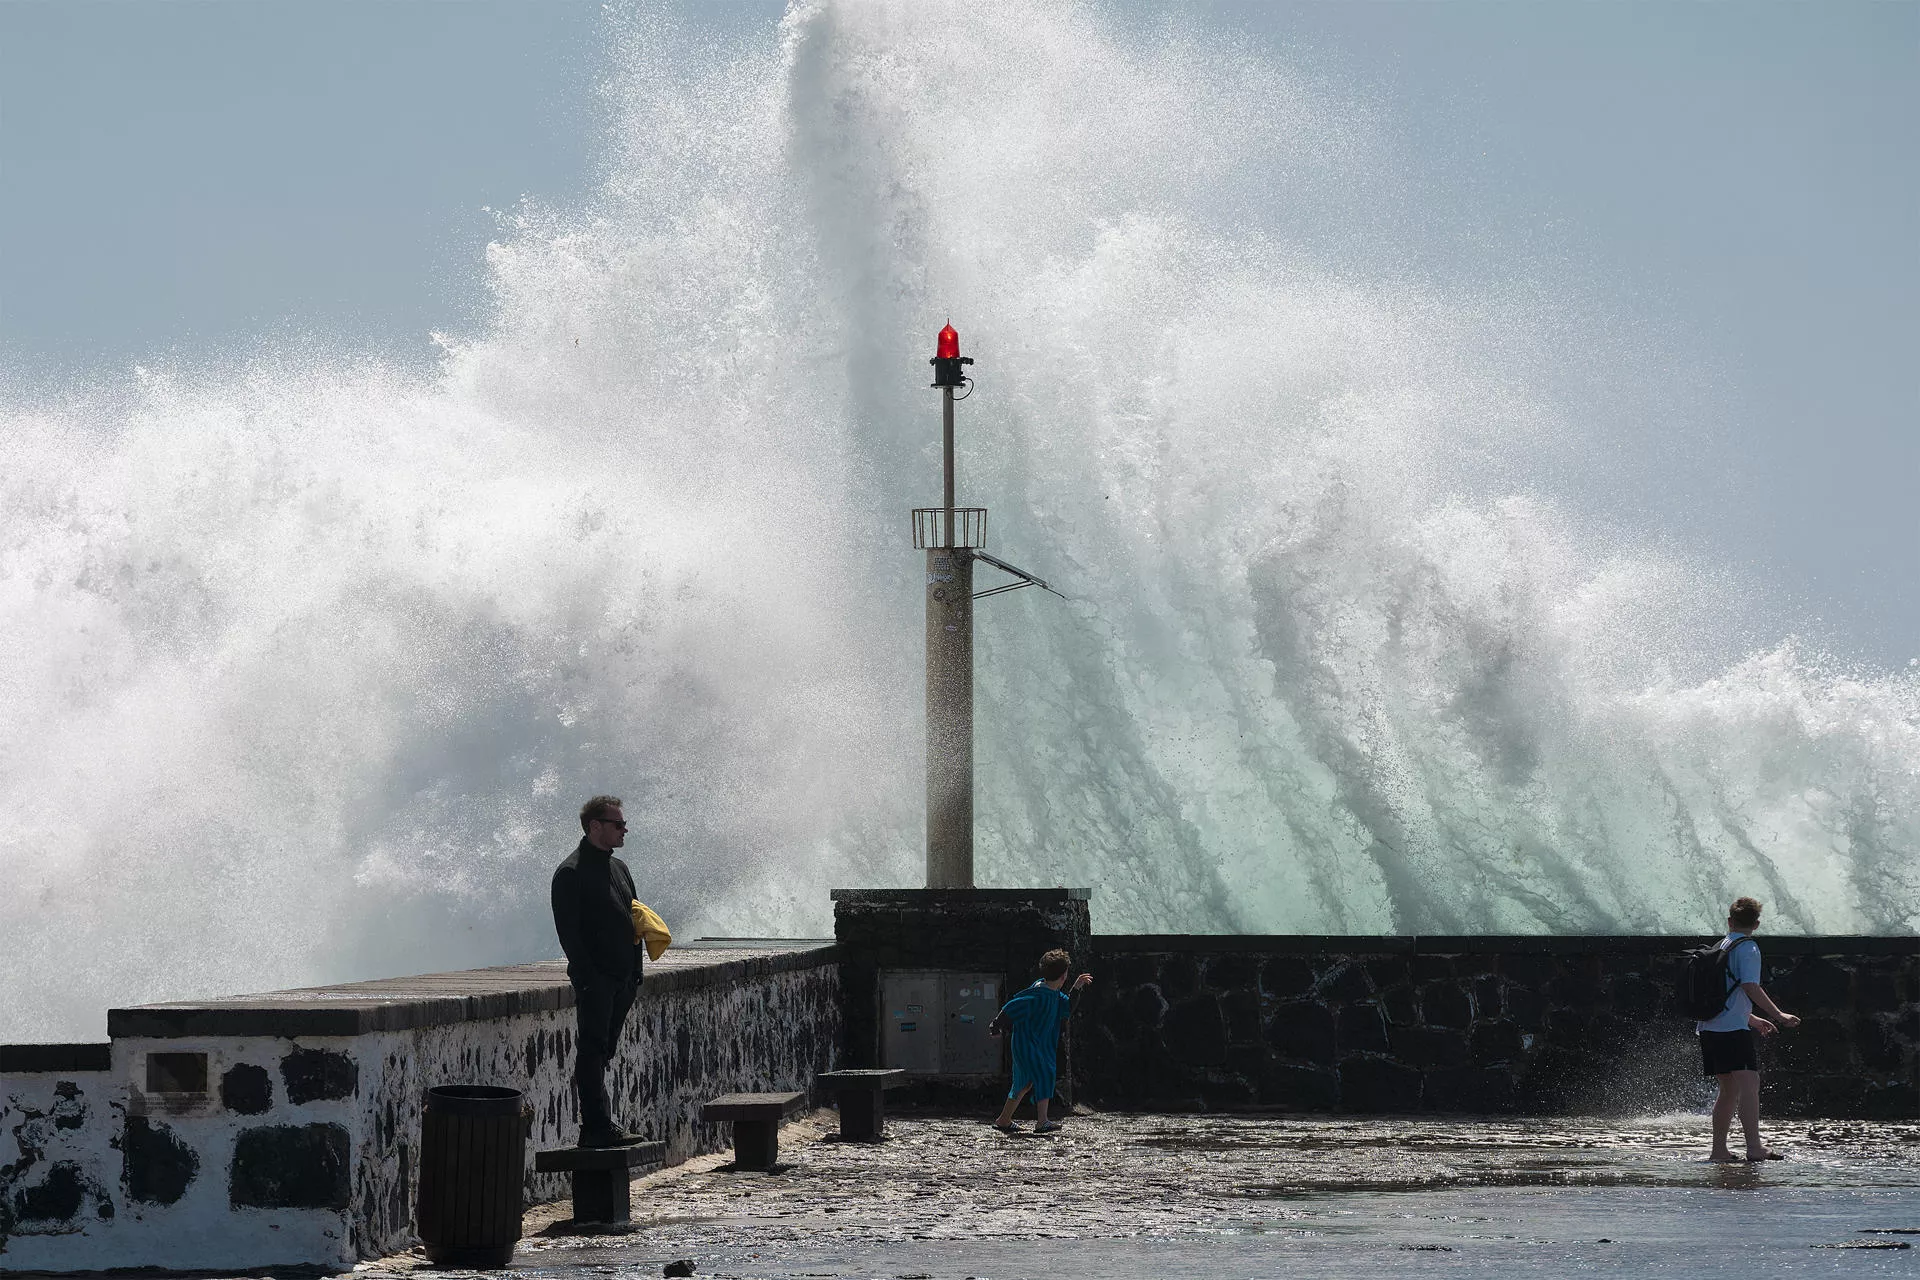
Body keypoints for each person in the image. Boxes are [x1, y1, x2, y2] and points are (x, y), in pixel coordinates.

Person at [551, 795, 646, 1148]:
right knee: (592, 1050)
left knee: (604, 1051)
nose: (625, 829)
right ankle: (595, 1127)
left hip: (623, 980)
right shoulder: (570, 873)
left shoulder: (619, 868)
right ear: (595, 826)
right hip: (598, 982)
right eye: (617, 824)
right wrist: (591, 979)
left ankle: (604, 1124)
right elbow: (569, 935)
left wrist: (635, 972)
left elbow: (634, 918)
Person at [1695, 896, 1800, 1162]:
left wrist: (1752, 1019)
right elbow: (1749, 987)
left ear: (1730, 921)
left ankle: (1719, 1151)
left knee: (1729, 1089)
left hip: (1710, 1026)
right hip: (1731, 1030)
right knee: (1750, 1084)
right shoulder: (1748, 948)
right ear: (1756, 924)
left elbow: (1726, 993)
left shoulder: (1723, 944)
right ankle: (1754, 1147)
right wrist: (1777, 1014)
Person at [990, 949, 1091, 1136]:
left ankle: (1004, 1119)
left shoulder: (1050, 991)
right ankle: (1042, 1121)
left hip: (1031, 1044)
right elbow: (1012, 1006)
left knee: (1024, 1082)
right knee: (1045, 1073)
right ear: (1063, 976)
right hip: (1028, 1044)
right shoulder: (1039, 995)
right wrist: (996, 1026)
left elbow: (1067, 1007)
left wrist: (1076, 987)